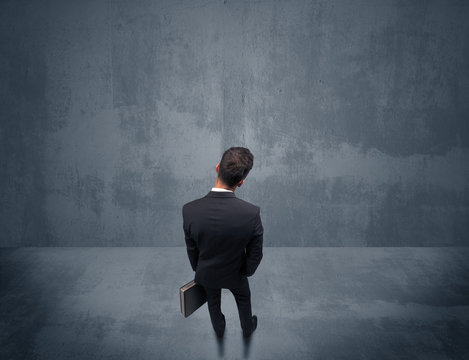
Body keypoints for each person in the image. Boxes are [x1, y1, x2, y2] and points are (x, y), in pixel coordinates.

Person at [182, 146, 264, 338]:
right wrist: (246, 271)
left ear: (217, 167)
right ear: (241, 182)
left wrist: (200, 269)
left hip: (207, 272)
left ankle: (219, 328)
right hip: (237, 274)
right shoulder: (251, 213)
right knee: (244, 299)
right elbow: (255, 253)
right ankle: (247, 328)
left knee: (213, 301)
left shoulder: (189, 210)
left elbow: (191, 249)